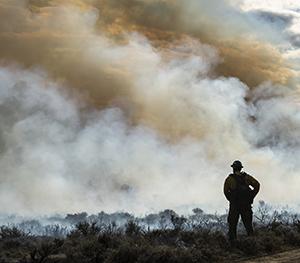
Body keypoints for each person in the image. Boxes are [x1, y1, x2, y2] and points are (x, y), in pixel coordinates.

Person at [223, 160, 260, 242]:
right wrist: (251, 196)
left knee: (232, 226)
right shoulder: (247, 177)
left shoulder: (229, 179)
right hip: (246, 205)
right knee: (248, 226)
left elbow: (225, 192)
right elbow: (257, 185)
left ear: (233, 168)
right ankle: (252, 244)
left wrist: (231, 200)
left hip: (234, 206)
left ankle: (233, 245)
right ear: (240, 168)